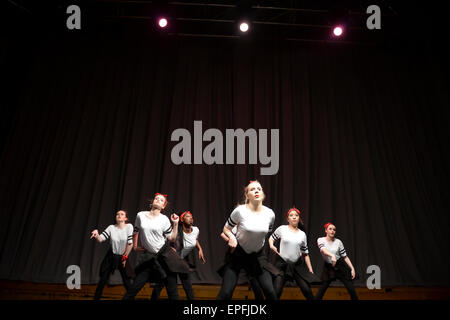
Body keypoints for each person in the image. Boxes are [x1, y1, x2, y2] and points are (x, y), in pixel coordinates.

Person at [217, 180, 279, 300]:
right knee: (226, 292)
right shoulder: (240, 211)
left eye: (259, 189)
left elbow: (267, 231)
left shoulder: (270, 214)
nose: (256, 190)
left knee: (270, 291)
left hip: (257, 256)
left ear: (263, 193)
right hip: (238, 254)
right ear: (247, 195)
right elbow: (225, 229)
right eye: (252, 189)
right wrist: (232, 237)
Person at [122, 193, 190, 300]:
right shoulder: (141, 215)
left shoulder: (164, 219)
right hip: (149, 258)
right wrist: (135, 246)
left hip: (164, 257)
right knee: (133, 289)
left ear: (163, 206)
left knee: (172, 292)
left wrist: (175, 224)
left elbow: (171, 238)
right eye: (156, 198)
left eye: (161, 200)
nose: (158, 200)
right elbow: (135, 232)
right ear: (152, 202)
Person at [151, 210, 206, 300]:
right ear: (182, 220)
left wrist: (200, 249)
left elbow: (194, 239)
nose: (191, 218)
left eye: (191, 216)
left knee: (188, 286)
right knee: (161, 284)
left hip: (182, 260)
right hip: (171, 261)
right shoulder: (176, 231)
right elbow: (167, 240)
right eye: (188, 216)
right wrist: (169, 248)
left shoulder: (196, 230)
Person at [269, 207, 321, 300]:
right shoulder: (282, 229)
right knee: (276, 291)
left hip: (296, 266)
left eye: (296, 215)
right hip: (282, 265)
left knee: (306, 290)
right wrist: (271, 245)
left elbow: (305, 254)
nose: (294, 217)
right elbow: (271, 238)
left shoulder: (302, 234)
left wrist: (311, 270)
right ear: (287, 219)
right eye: (291, 215)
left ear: (299, 218)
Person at [90, 210, 133, 300]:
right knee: (102, 280)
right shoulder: (111, 228)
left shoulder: (129, 227)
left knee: (127, 282)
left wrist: (125, 257)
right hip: (111, 255)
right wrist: (97, 234)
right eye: (117, 214)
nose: (119, 215)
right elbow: (101, 239)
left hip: (123, 255)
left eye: (122, 214)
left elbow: (130, 244)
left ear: (126, 218)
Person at [315, 222, 358, 300]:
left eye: (334, 229)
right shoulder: (320, 240)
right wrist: (332, 255)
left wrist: (352, 268)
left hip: (339, 265)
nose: (332, 231)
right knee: (322, 288)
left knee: (351, 288)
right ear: (326, 230)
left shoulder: (338, 242)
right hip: (328, 266)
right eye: (330, 229)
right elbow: (323, 250)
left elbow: (345, 256)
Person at [220, 226, 264, 300]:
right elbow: (223, 234)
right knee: (227, 290)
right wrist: (230, 240)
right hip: (236, 256)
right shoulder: (237, 225)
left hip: (249, 257)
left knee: (256, 285)